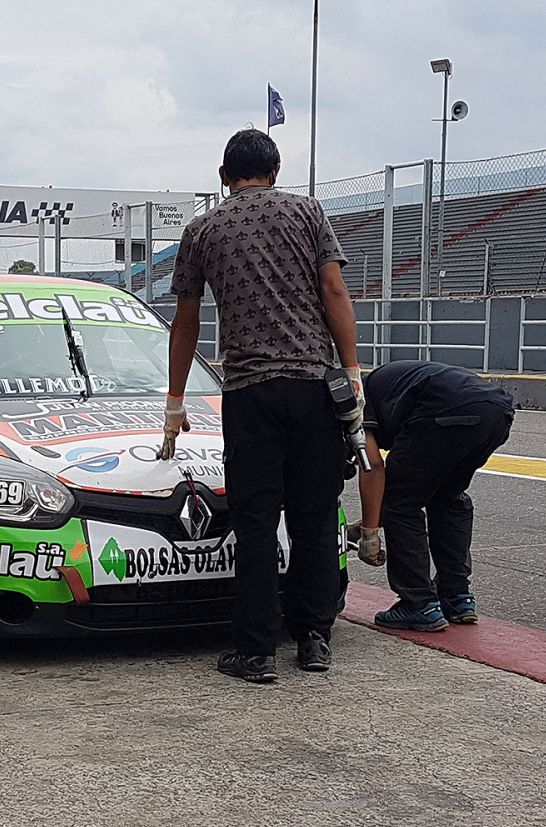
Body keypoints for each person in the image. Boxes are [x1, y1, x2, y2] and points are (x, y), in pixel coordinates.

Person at [163, 129, 362, 683]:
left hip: (249, 393)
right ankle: (315, 639)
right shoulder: (308, 212)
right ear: (274, 172)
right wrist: (350, 372)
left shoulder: (202, 229)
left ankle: (255, 651)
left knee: (255, 523)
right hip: (312, 387)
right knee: (315, 518)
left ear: (224, 177)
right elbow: (335, 293)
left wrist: (176, 400)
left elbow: (186, 321)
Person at [354, 360, 514, 631]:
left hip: (445, 412)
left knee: (400, 503)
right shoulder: (385, 383)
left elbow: (373, 466)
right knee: (447, 498)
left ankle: (418, 604)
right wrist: (368, 521)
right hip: (496, 412)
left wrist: (370, 531)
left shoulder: (353, 399)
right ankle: (457, 597)